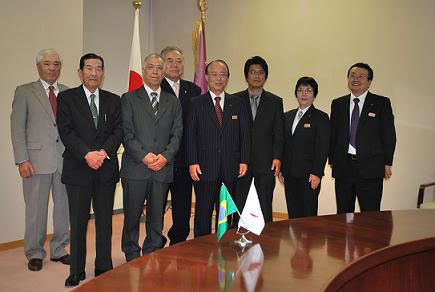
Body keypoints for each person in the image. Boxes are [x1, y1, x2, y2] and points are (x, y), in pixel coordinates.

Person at [57, 53, 123, 286]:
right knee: (78, 222)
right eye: (89, 68)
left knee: (105, 221)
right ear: (80, 72)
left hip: (105, 169)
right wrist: (87, 154)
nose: (94, 72)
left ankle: (103, 266)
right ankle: (76, 270)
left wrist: (102, 153)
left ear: (103, 73)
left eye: (98, 68)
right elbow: (66, 132)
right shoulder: (66, 98)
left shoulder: (114, 100)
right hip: (78, 169)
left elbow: (118, 131)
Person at [10, 48, 70, 271]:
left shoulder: (67, 92)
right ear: (38, 66)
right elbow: (17, 128)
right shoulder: (25, 91)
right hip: (35, 162)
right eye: (47, 63)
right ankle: (34, 252)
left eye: (56, 64)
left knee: (64, 208)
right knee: (35, 210)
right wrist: (22, 159)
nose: (52, 68)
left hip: (64, 161)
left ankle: (59, 249)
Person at [120, 53, 182, 260]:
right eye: (151, 67)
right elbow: (126, 133)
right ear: (144, 71)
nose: (155, 72)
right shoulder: (128, 99)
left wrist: (165, 157)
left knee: (156, 217)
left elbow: (177, 134)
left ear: (164, 72)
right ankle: (130, 251)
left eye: (159, 68)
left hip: (162, 168)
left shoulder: (173, 102)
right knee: (132, 216)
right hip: (136, 168)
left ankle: (153, 250)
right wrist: (144, 156)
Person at [186, 60, 251, 237]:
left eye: (223, 74)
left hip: (230, 168)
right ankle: (202, 248)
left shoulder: (238, 103)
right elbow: (190, 135)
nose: (218, 78)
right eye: (214, 74)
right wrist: (192, 161)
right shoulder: (196, 103)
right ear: (206, 77)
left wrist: (244, 159)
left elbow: (244, 134)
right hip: (204, 168)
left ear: (228, 78)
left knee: (227, 213)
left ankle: (225, 248)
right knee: (203, 213)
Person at [329, 63, 396, 213]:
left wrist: (387, 162)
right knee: (343, 213)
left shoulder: (381, 103)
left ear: (369, 81)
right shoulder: (338, 104)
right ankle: (345, 238)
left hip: (371, 167)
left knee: (370, 214)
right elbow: (333, 134)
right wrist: (332, 159)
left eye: (360, 76)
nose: (355, 79)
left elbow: (389, 135)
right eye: (352, 76)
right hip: (343, 167)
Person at [234, 56, 283, 223]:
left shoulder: (275, 102)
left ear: (266, 76)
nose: (256, 76)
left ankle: (266, 239)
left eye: (261, 72)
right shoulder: (235, 100)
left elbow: (278, 133)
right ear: (246, 76)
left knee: (264, 204)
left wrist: (277, 157)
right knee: (239, 203)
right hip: (241, 161)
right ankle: (238, 238)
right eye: (252, 72)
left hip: (266, 161)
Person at [160, 46, 201, 246]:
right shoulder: (155, 88)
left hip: (185, 159)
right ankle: (155, 240)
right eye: (169, 60)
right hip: (161, 159)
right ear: (162, 63)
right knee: (157, 205)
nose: (175, 65)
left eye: (179, 61)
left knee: (182, 205)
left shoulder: (194, 90)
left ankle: (179, 242)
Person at [279, 77, 330, 218]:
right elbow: (283, 144)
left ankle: (309, 241)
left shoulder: (321, 117)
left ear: (315, 95)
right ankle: (295, 240)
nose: (303, 94)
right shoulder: (286, 116)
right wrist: (282, 169)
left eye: (308, 90)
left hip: (309, 175)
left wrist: (317, 173)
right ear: (296, 93)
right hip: (289, 174)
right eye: (300, 90)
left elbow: (322, 147)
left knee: (308, 214)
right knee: (293, 213)